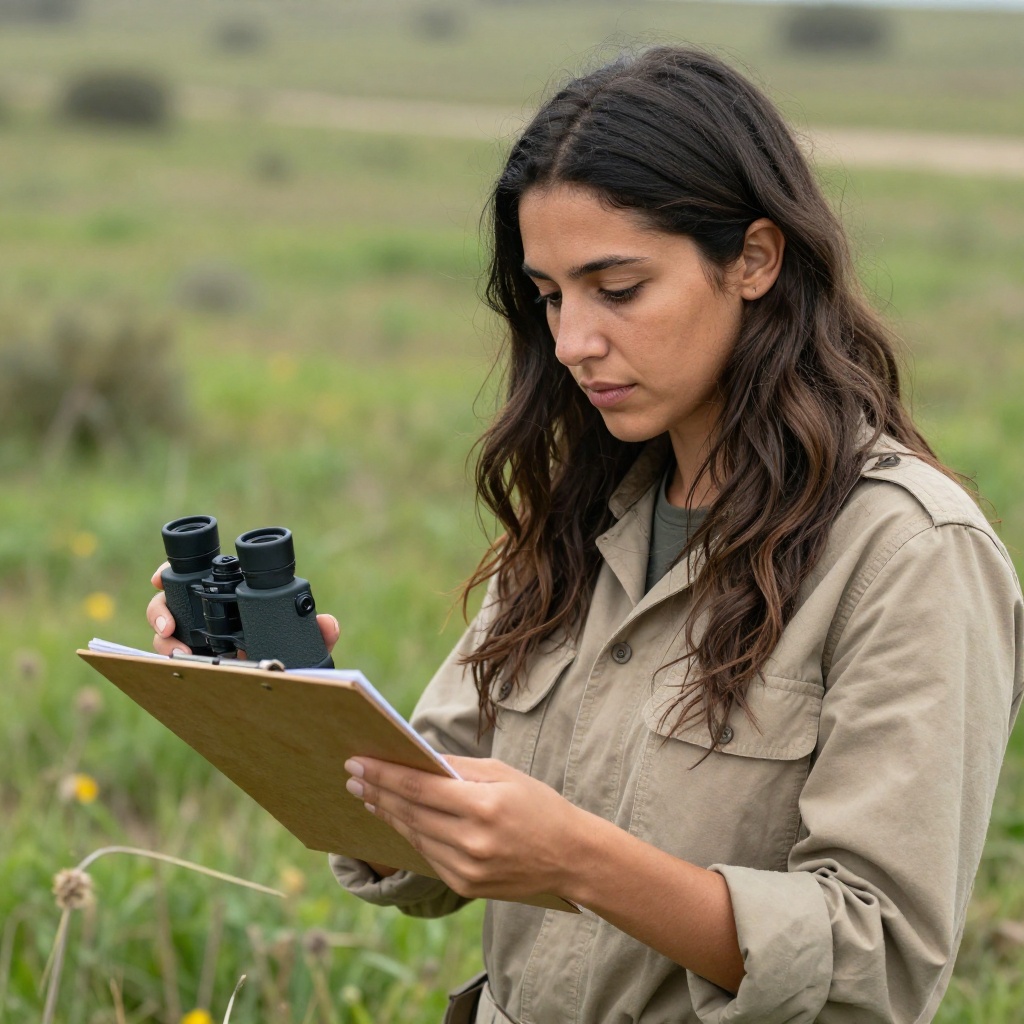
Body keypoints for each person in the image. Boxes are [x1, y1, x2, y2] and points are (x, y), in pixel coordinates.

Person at [148, 46, 1023, 1024]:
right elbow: (425, 849)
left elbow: (878, 959)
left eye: (617, 288)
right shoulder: (578, 518)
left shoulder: (910, 554)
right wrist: (280, 701)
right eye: (550, 295)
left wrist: (574, 857)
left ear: (754, 260)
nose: (571, 343)